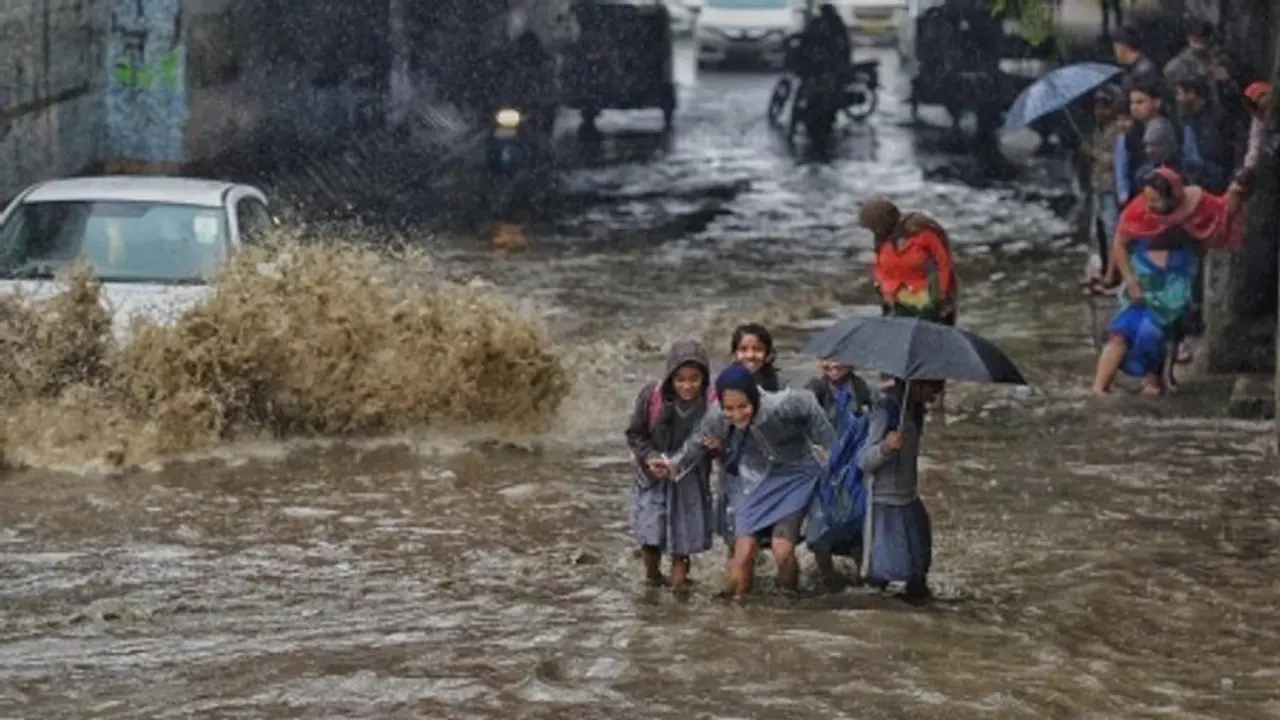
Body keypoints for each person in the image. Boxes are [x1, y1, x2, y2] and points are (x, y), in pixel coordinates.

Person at [657, 363, 837, 599]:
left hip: (796, 476)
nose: (737, 414)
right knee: (743, 552)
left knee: (782, 549)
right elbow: (696, 444)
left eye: (743, 406)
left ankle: (789, 605)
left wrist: (831, 452)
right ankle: (738, 612)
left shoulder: (783, 406)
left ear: (754, 398)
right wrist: (672, 465)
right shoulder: (717, 416)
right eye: (729, 408)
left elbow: (812, 409)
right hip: (754, 480)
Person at [1094, 167, 1241, 395]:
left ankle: (1155, 381)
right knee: (1121, 330)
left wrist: (1236, 192)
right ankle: (1099, 389)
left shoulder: (1198, 205)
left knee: (1152, 332)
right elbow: (1120, 243)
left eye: (1155, 201)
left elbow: (1222, 216)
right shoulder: (1137, 210)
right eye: (1147, 198)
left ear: (1172, 198)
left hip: (1175, 280)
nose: (1149, 205)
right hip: (1141, 278)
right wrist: (1130, 281)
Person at [625, 340, 716, 588]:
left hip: (689, 479)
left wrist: (716, 446)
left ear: (704, 379)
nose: (687, 386)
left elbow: (721, 442)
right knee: (650, 537)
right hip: (653, 478)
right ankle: (653, 577)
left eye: (694, 379)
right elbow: (635, 434)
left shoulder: (713, 403)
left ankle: (678, 595)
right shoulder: (651, 397)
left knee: (681, 542)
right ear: (670, 378)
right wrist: (651, 456)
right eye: (680, 379)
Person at [857, 377, 944, 604]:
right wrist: (886, 447)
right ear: (915, 384)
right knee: (881, 578)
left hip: (909, 500)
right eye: (933, 388)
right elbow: (864, 461)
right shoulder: (886, 410)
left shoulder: (915, 410)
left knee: (917, 575)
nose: (936, 394)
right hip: (884, 504)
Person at [859, 196, 958, 324]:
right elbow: (879, 267)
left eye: (873, 227)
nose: (873, 231)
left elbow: (943, 264)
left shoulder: (922, 233)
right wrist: (885, 290)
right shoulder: (881, 240)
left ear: (882, 223)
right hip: (897, 300)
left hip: (929, 300)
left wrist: (941, 296)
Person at [1083, 85, 1124, 279]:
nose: (1099, 111)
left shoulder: (1117, 131)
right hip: (1098, 186)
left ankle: (1114, 272)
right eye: (1097, 107)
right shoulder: (1098, 130)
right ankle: (1105, 267)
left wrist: (1092, 152)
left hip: (1110, 187)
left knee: (1111, 230)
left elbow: (1112, 160)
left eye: (1104, 107)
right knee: (1098, 231)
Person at [1176, 74, 1232, 193]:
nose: (1178, 98)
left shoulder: (1218, 117)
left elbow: (1224, 152)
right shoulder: (1185, 118)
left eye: (1180, 93)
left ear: (1191, 93)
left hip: (1214, 179)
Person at [804, 357, 874, 422]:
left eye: (838, 368)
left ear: (848, 367)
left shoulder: (860, 386)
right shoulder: (815, 387)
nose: (834, 373)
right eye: (827, 368)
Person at [729, 323, 784, 392]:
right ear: (734, 355)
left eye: (758, 349)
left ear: (768, 355)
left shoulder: (780, 385)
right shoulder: (727, 384)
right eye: (743, 349)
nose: (750, 355)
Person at [1163, 18, 1214, 88]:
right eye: (1196, 41)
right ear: (1188, 38)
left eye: (1204, 41)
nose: (1200, 46)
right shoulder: (1174, 67)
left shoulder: (1216, 60)